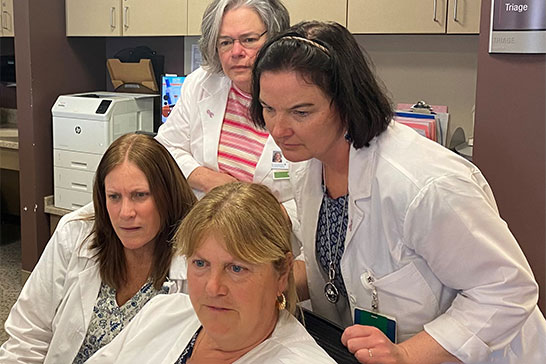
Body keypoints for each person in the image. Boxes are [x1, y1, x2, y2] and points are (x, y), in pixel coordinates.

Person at [250, 21, 546, 364]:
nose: (278, 129)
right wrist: (262, 286)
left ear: (347, 102)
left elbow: (507, 289)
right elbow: (332, 266)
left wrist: (405, 355)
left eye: (301, 112)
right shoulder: (309, 162)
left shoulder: (425, 184)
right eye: (268, 108)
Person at [84, 182, 336, 363]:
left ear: (281, 274)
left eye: (236, 268)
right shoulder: (162, 311)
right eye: (200, 264)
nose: (213, 288)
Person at [0, 133, 197, 363]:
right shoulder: (76, 233)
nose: (125, 213)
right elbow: (28, 335)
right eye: (114, 196)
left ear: (168, 195)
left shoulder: (198, 259)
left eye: (139, 195)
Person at [155, 0, 298, 214]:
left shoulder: (302, 96)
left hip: (272, 237)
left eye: (248, 40)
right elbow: (165, 148)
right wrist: (212, 181)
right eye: (225, 42)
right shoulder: (201, 83)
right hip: (203, 227)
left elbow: (321, 186)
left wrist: (271, 215)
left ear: (276, 40)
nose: (236, 52)